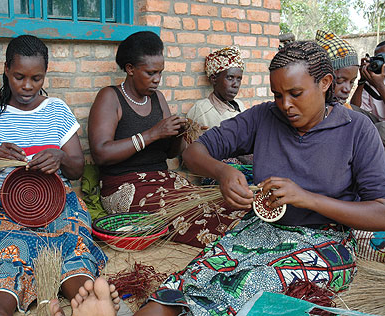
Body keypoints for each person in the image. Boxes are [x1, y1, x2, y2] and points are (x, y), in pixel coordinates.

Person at [130, 41, 385, 315]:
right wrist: (223, 171)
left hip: (324, 242)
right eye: (278, 95)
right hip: (257, 231)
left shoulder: (356, 129)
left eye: (296, 93)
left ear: (324, 83)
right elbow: (194, 152)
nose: (285, 105)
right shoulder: (265, 116)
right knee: (184, 285)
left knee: (249, 286)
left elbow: (380, 212)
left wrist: (309, 199)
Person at [0, 35, 119, 316]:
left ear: (45, 75)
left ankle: (88, 304)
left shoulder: (56, 110)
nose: (27, 86)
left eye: (36, 78)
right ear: (6, 70)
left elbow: (76, 169)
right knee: (7, 249)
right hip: (4, 208)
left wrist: (60, 157)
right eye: (19, 76)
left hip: (60, 204)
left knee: (71, 245)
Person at [88, 31, 248, 248]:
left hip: (165, 181)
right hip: (125, 187)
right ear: (130, 69)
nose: (157, 80)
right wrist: (152, 134)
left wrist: (180, 133)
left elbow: (171, 153)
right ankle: (237, 248)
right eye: (151, 73)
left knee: (220, 205)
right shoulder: (109, 97)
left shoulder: (158, 98)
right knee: (195, 219)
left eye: (160, 73)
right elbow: (101, 153)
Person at [186, 45, 246, 130]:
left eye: (239, 79)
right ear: (214, 79)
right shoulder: (201, 110)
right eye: (230, 78)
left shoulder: (240, 106)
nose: (235, 84)